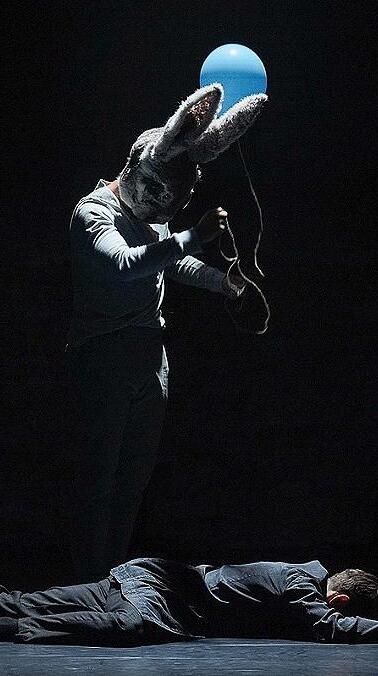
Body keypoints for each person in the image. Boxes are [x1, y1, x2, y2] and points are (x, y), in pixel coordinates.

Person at [65, 84, 267, 581]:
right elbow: (126, 264)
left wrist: (224, 283)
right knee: (97, 481)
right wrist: (193, 236)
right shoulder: (93, 213)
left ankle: (109, 582)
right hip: (102, 356)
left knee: (131, 482)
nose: (162, 215)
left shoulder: (148, 216)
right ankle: (83, 582)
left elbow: (171, 262)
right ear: (138, 173)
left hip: (150, 360)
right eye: (160, 201)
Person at [0, 558, 378, 645]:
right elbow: (332, 625)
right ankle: (13, 630)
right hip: (158, 596)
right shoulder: (299, 587)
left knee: (22, 600)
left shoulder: (302, 575)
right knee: (132, 628)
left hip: (140, 575)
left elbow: (336, 612)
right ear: (340, 597)